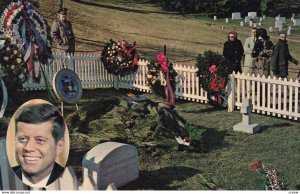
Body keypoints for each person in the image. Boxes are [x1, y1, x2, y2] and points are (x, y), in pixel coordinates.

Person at [12, 102, 66, 187]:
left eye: (40, 140)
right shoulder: (6, 177)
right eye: (23, 139)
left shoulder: (68, 181)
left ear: (59, 146)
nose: (28, 148)